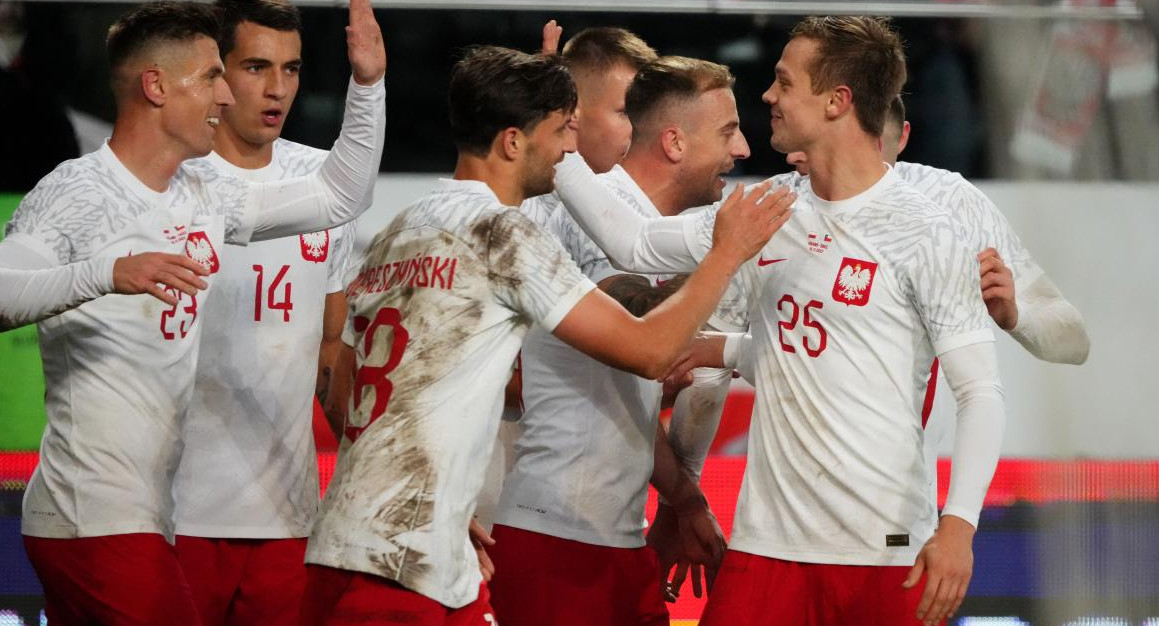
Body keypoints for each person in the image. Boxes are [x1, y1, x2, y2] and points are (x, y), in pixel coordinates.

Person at [300, 45, 793, 625]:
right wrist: (727, 254)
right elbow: (650, 351)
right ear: (513, 141)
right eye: (563, 133)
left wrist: (433, 503)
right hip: (413, 569)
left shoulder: (399, 230)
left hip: (346, 543)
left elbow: (341, 391)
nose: (569, 153)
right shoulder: (503, 234)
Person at [550, 16, 1006, 626]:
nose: (768, 96)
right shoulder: (767, 209)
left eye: (785, 83)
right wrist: (546, 126)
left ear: (837, 101)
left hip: (887, 551)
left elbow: (980, 392)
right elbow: (630, 240)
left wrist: (958, 529)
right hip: (766, 549)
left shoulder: (928, 232)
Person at [0, 0, 385, 622]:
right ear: (155, 86)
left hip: (144, 514)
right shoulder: (79, 190)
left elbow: (340, 194)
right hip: (90, 512)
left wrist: (367, 86)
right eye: (211, 77)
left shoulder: (202, 194)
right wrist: (107, 273)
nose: (226, 97)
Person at [488, 54, 748, 626]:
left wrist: (681, 503)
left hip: (616, 537)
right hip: (554, 535)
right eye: (729, 131)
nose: (744, 149)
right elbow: (641, 342)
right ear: (675, 143)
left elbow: (630, 394)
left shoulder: (672, 234)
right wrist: (687, 502)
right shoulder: (579, 217)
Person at [170, 1, 357, 624]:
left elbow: (333, 353)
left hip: (289, 516)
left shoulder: (324, 184)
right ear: (215, 74)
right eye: (256, 67)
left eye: (292, 68)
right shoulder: (173, 183)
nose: (278, 89)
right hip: (175, 514)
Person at [786, 95, 1090, 366]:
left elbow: (1075, 341)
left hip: (920, 428)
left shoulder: (950, 199)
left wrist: (1016, 316)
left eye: (875, 148)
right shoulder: (785, 201)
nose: (862, 171)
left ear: (902, 137)